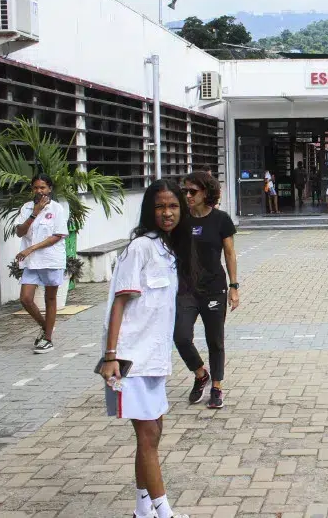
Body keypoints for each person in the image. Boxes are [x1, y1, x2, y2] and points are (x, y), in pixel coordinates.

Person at [98, 180, 195, 518]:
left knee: (153, 434)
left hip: (154, 360)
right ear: (149, 211)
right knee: (149, 435)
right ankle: (164, 513)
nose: (167, 213)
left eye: (173, 206)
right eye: (160, 207)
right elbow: (118, 303)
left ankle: (142, 510)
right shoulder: (140, 247)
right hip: (130, 360)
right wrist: (110, 357)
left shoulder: (168, 249)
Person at [174, 171, 239, 409]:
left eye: (193, 191)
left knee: (215, 340)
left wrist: (234, 287)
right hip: (186, 289)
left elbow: (229, 254)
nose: (188, 196)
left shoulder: (221, 220)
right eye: (185, 191)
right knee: (181, 336)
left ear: (206, 192)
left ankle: (217, 387)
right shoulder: (181, 220)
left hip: (214, 289)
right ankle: (201, 374)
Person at [14, 174, 69, 354]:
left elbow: (57, 236)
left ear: (49, 189)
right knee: (25, 298)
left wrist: (31, 248)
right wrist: (34, 213)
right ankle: (46, 327)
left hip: (51, 260)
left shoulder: (57, 208)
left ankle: (48, 340)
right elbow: (20, 232)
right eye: (36, 187)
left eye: (43, 187)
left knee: (50, 299)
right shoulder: (26, 208)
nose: (39, 191)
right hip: (32, 263)